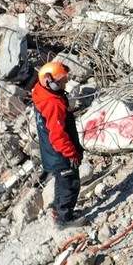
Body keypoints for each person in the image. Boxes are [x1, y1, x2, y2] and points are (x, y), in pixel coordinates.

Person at [31, 60, 85, 227]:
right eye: (62, 80)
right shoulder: (53, 103)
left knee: (63, 183)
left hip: (51, 151)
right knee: (69, 183)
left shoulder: (42, 93)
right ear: (50, 82)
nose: (65, 82)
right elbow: (58, 135)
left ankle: (59, 211)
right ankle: (64, 218)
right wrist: (71, 154)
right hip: (60, 152)